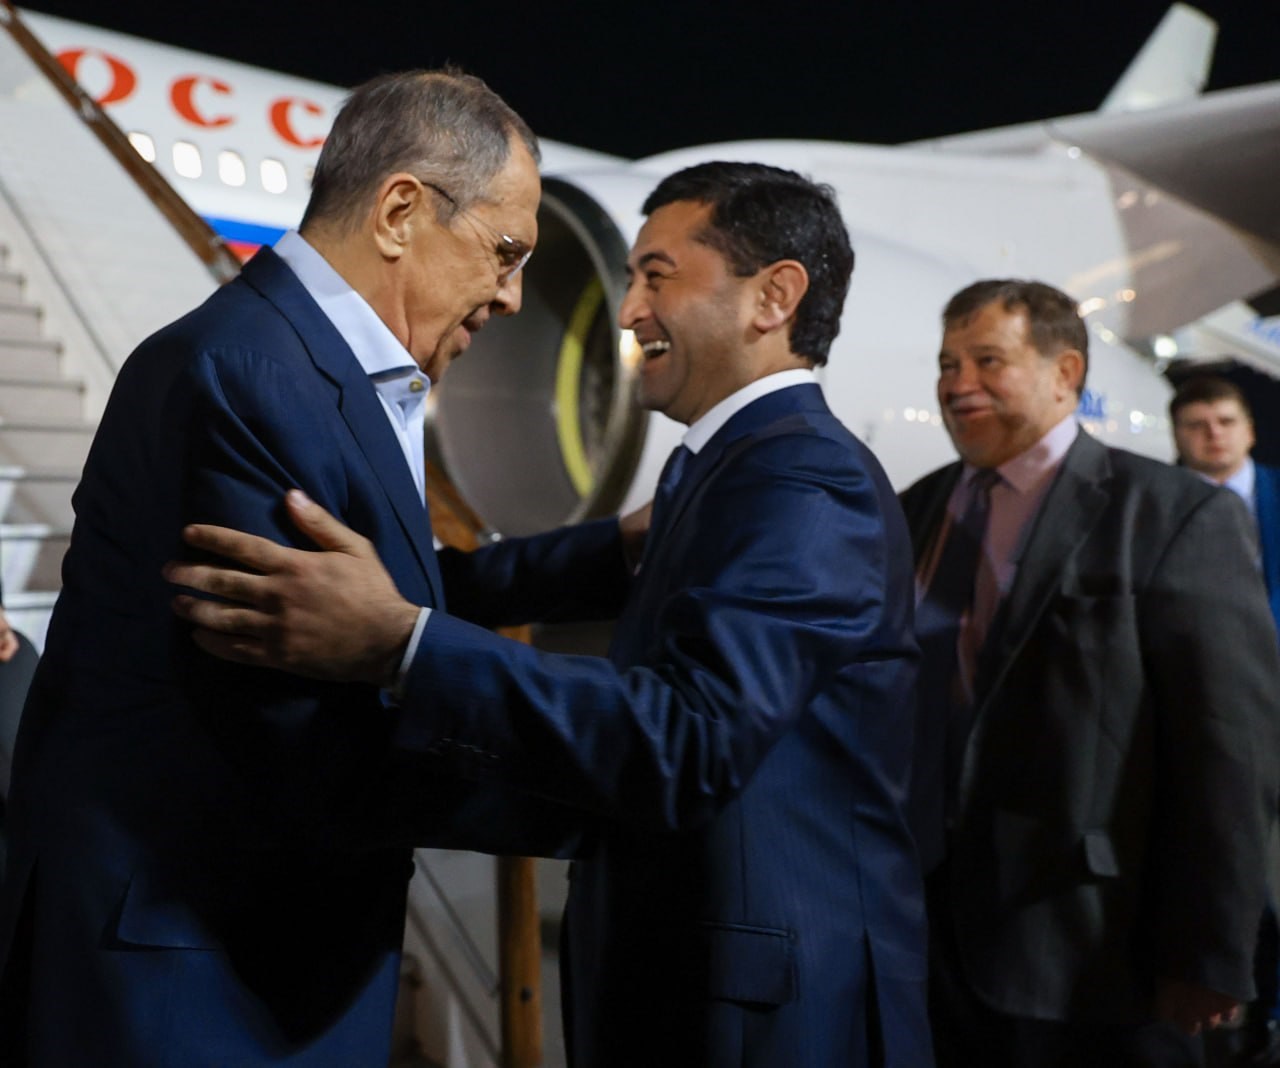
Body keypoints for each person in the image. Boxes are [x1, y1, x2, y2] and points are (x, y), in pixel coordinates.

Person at [167, 162, 932, 1067]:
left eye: (658, 276)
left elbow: (687, 739)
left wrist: (401, 643)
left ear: (774, 297)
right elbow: (618, 561)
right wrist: (429, 588)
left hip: (767, 1014)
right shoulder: (731, 468)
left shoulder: (806, 479)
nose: (630, 312)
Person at [0, 69, 545, 1065]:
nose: (511, 296)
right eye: (503, 253)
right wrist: (636, 780)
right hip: (192, 983)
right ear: (398, 212)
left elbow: (399, 596)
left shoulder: (304, 365)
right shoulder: (249, 377)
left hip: (243, 961)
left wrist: (612, 553)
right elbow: (317, 732)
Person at [899, 278, 1280, 1067]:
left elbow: (1227, 751)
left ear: (1065, 373)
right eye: (947, 362)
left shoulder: (1171, 514)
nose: (956, 383)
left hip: (1094, 956)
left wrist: (1209, 954)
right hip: (925, 942)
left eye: (987, 360)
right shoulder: (918, 509)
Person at [1171, 373, 1280, 1064]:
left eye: (1224, 421)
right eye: (1197, 424)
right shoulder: (1161, 502)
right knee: (1229, 870)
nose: (1213, 433)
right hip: (1205, 717)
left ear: (1250, 429)